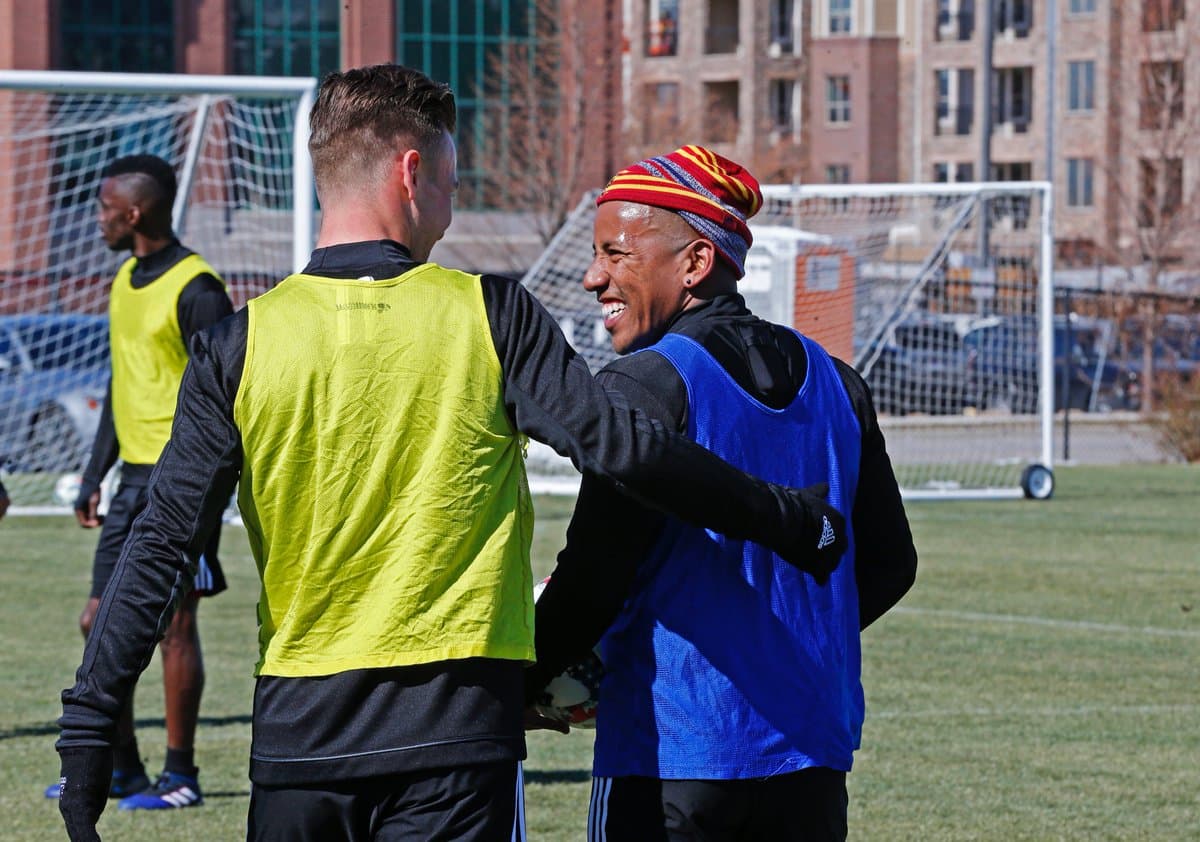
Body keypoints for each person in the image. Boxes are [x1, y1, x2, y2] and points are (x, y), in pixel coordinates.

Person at [55, 66, 847, 842]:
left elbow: (159, 546)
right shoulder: (489, 312)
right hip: (459, 740)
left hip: (300, 744)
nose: (453, 203)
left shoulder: (238, 343)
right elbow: (626, 451)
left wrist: (91, 727)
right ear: (411, 171)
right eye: (452, 179)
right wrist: (789, 519)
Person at [525, 146, 918, 841]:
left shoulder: (645, 384)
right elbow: (889, 565)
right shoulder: (837, 380)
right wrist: (777, 648)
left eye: (616, 254)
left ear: (696, 263)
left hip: (674, 754)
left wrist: (527, 679)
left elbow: (594, 578)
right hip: (811, 756)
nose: (592, 277)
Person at [45, 155, 233, 812]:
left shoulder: (198, 287)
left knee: (174, 625)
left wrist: (213, 484)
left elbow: (229, 393)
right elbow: (122, 384)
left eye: (103, 208)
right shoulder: (124, 280)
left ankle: (180, 777)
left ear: (134, 213)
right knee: (98, 621)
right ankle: (120, 769)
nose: (96, 220)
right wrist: (93, 474)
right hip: (131, 480)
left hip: (187, 479)